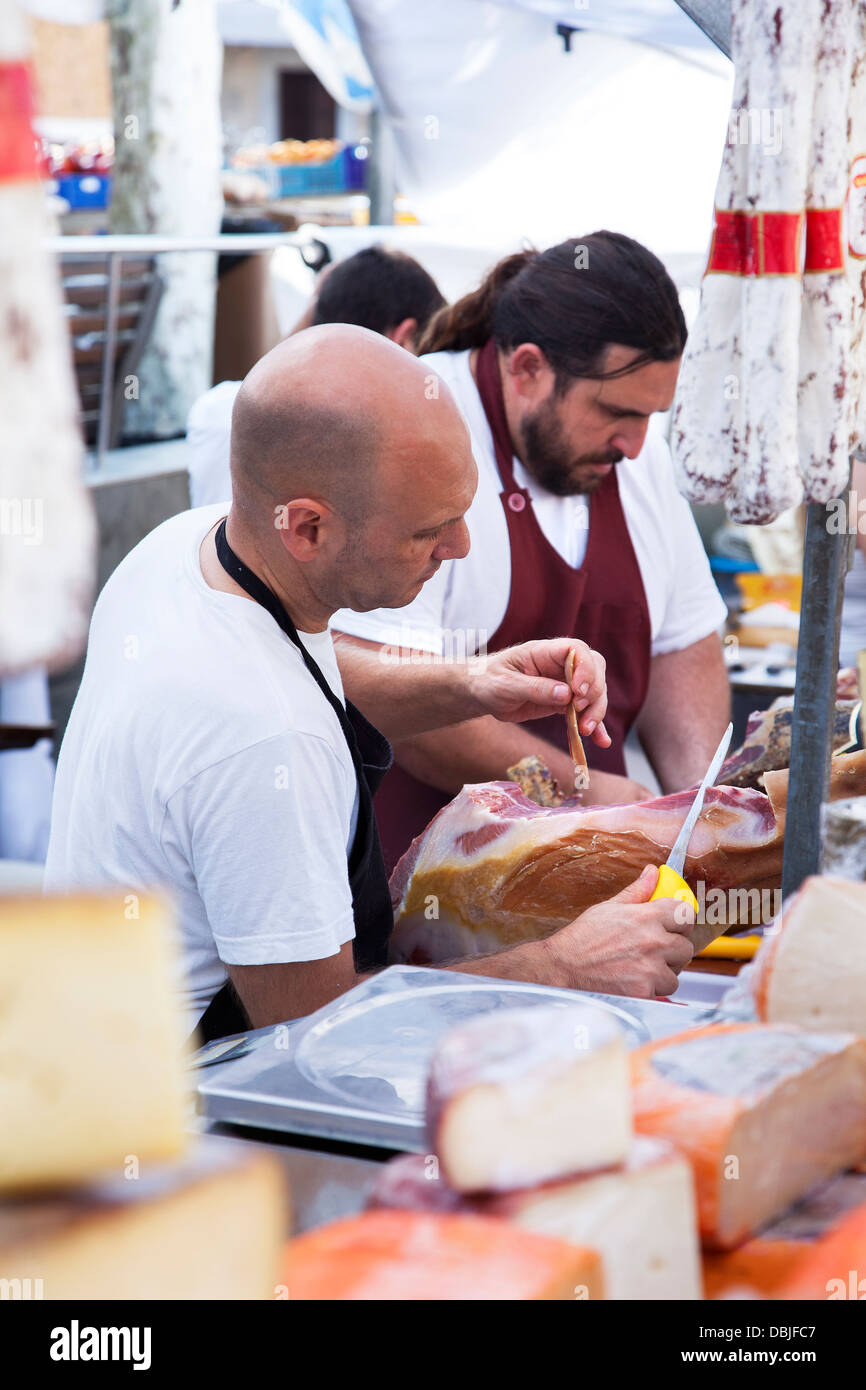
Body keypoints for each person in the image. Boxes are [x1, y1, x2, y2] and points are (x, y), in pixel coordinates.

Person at [45, 326, 694, 1038]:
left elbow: (307, 667)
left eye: (463, 514)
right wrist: (561, 967)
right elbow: (307, 1022)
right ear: (309, 529)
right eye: (428, 531)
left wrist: (472, 682)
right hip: (190, 1107)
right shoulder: (266, 739)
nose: (460, 547)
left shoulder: (188, 546)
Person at [331, 232, 730, 871]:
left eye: (652, 415)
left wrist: (705, 818)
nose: (635, 443)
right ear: (527, 368)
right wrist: (581, 790)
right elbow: (391, 692)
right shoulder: (413, 426)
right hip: (423, 890)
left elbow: (682, 645)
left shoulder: (638, 454)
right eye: (616, 412)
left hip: (597, 873)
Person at [186, 244, 445, 507]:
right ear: (404, 339)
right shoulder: (373, 452)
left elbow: (265, 379)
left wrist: (320, 303)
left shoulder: (215, 410)